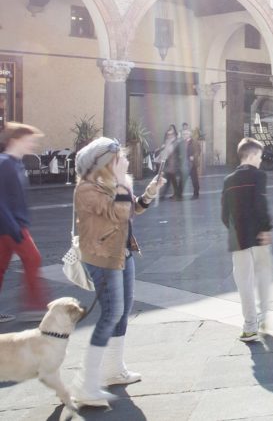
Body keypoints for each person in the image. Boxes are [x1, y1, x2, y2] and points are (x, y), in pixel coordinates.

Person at [73, 137, 162, 406]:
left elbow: (132, 208)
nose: (124, 160)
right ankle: (86, 383)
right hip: (101, 258)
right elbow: (120, 213)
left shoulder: (109, 183)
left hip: (121, 253)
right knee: (111, 313)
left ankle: (113, 369)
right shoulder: (87, 190)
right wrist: (123, 181)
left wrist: (148, 193)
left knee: (123, 311)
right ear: (104, 162)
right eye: (119, 157)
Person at [221, 138, 273, 342]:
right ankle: (264, 317)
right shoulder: (258, 176)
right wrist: (266, 228)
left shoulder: (228, 180)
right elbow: (261, 203)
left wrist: (234, 229)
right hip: (259, 234)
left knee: (243, 281)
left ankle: (249, 325)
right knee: (263, 273)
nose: (261, 161)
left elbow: (224, 214)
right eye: (259, 156)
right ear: (251, 156)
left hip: (238, 236)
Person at [0, 122, 48, 323]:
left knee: (1, 267)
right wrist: (15, 227)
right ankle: (35, 307)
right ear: (15, 141)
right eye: (29, 141)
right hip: (11, 227)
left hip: (10, 226)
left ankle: (34, 307)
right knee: (33, 259)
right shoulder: (4, 164)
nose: (32, 145)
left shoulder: (16, 163)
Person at [156, 124, 181, 200]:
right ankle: (174, 194)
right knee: (170, 180)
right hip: (168, 164)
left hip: (172, 164)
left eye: (171, 133)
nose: (169, 135)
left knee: (171, 180)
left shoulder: (175, 141)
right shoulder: (168, 141)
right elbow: (165, 150)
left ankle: (171, 195)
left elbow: (173, 151)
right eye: (168, 134)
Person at [181, 123, 201, 198]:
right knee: (183, 180)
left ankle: (196, 194)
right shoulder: (182, 142)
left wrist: (193, 156)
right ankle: (179, 194)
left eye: (186, 134)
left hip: (192, 163)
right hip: (185, 163)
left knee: (194, 179)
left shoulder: (194, 141)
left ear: (189, 134)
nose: (184, 135)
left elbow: (198, 150)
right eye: (183, 134)